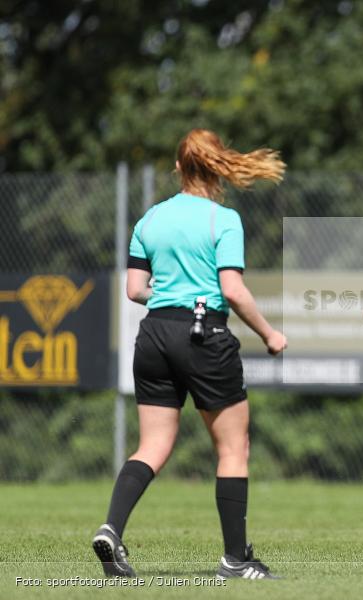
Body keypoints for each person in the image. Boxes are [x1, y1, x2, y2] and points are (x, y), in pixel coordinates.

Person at [91, 129, 288, 580]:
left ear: (180, 168)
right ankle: (236, 561)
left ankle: (111, 529)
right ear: (218, 164)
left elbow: (135, 289)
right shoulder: (224, 220)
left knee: (153, 445)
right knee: (233, 447)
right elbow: (232, 290)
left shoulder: (150, 219)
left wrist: (172, 298)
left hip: (155, 332)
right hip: (204, 334)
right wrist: (269, 334)